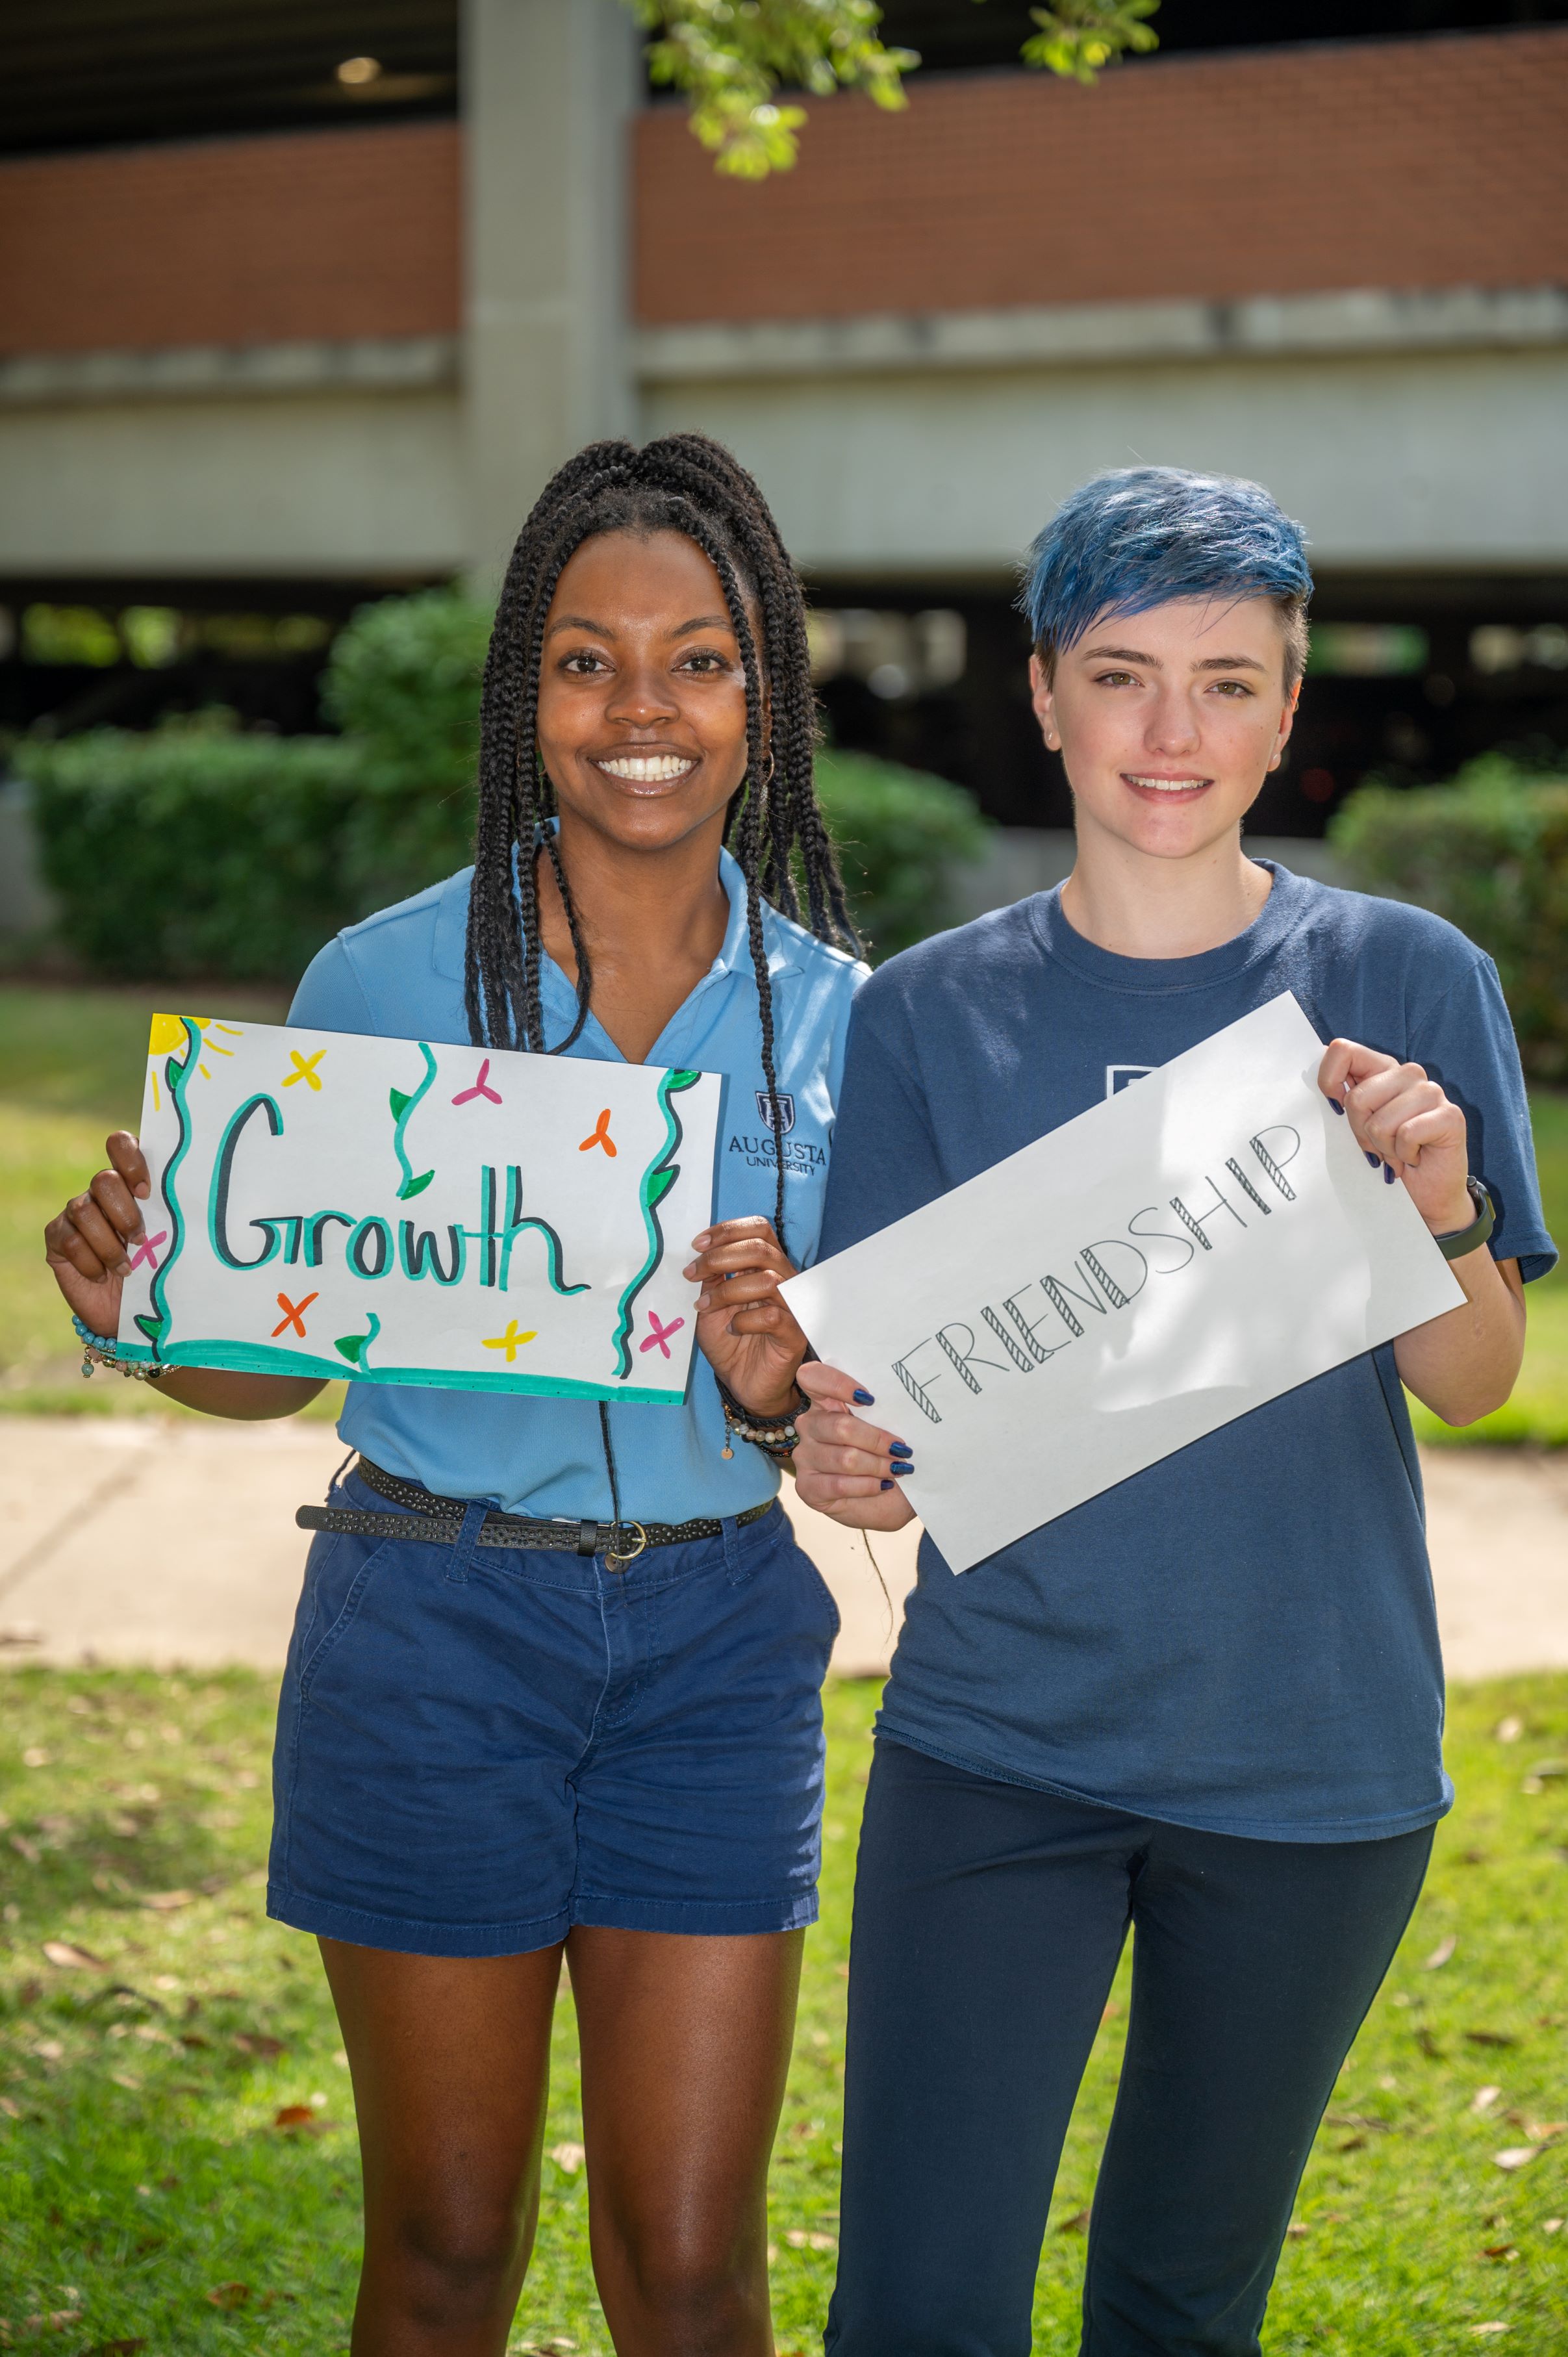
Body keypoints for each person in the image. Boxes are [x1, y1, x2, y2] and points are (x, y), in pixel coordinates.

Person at [43, 433, 866, 2357]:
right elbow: (278, 1358)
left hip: (719, 1640)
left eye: (699, 658)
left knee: (689, 2264)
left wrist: (774, 1381)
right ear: (527, 694)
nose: (641, 709)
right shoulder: (388, 980)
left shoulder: (842, 1016)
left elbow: (847, 1415)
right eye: (587, 660)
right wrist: (143, 1314)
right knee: (441, 2240)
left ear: (766, 697)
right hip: (430, 1622)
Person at [790, 467, 1556, 2357]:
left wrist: (1440, 1201)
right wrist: (837, 1456)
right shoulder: (922, 1017)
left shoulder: (1400, 977)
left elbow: (1474, 1383)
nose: (1170, 729)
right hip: (1001, 1749)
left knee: (1179, 2306)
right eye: (1123, 673)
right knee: (920, 2305)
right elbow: (883, 1445)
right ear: (1043, 694)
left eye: (1227, 680)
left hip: (1314, 1763)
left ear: (1289, 708)